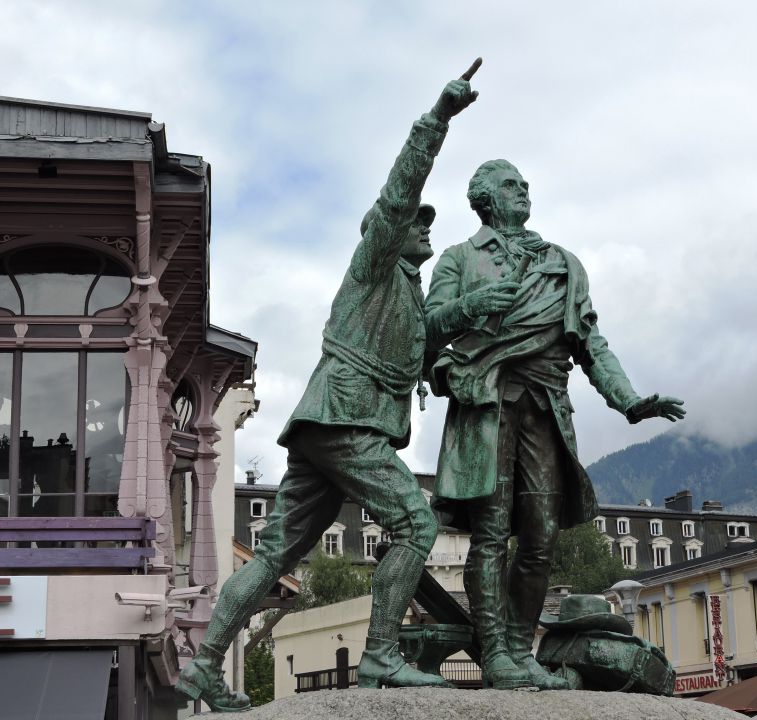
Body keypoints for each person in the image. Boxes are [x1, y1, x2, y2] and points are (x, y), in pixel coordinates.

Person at [175, 69, 479, 711]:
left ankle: (202, 667)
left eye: (427, 224)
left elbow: (427, 342)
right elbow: (401, 190)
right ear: (390, 229)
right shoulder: (373, 266)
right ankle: (381, 655)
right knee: (415, 522)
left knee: (272, 555)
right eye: (415, 223)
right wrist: (438, 119)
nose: (425, 228)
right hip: (346, 421)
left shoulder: (406, 293)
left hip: (329, 429)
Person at [424, 159, 685, 690]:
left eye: (525, 185)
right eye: (510, 185)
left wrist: (630, 400)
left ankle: (522, 650)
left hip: (545, 406)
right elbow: (425, 331)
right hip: (486, 404)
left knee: (541, 536)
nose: (524, 192)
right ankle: (496, 653)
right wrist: (473, 306)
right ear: (484, 199)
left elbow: (590, 341)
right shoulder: (457, 260)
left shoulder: (562, 265)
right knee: (492, 533)